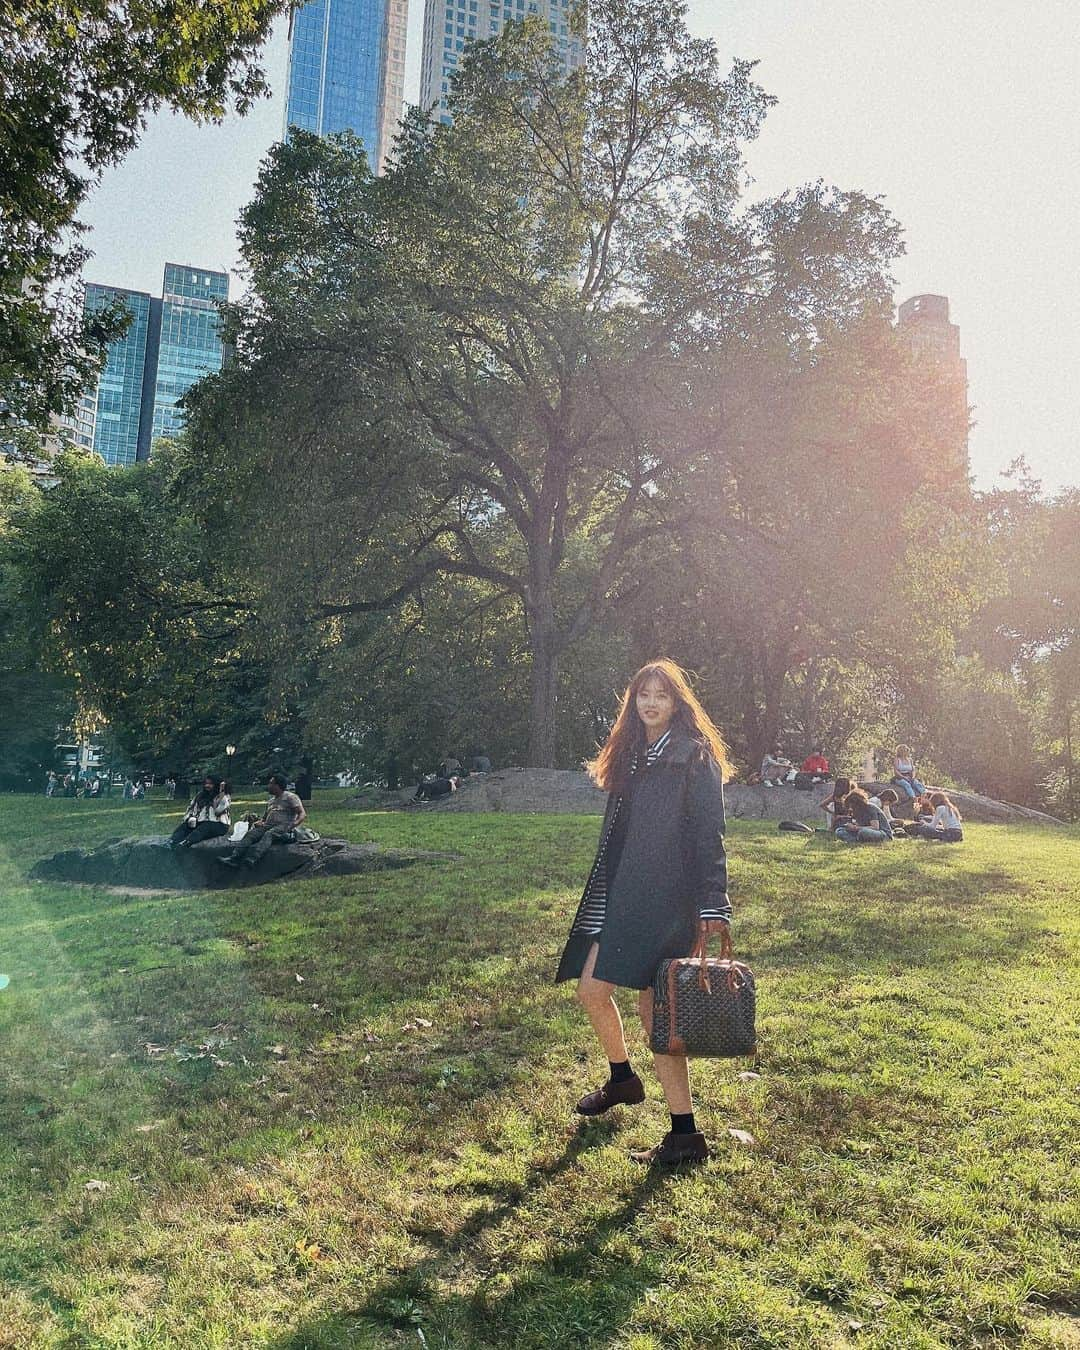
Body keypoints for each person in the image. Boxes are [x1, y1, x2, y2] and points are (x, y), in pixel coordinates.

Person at [555, 659, 732, 1167]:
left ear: (678, 703)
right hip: (619, 893)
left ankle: (685, 1134)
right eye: (643, 695)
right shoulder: (631, 753)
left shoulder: (694, 757)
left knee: (656, 1012)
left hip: (666, 900)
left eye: (662, 696)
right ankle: (622, 1079)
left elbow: (709, 838)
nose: (651, 704)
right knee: (592, 990)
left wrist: (713, 905)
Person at [218, 772, 306, 869]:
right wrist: (258, 821)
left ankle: (252, 859)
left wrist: (294, 825)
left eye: (271, 783)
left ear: (277, 785)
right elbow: (265, 818)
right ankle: (234, 858)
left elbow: (302, 813)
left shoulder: (290, 797)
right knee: (251, 834)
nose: (268, 786)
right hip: (268, 825)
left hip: (284, 826)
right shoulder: (271, 800)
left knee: (269, 834)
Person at [168, 776, 232, 848]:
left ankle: (185, 844)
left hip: (220, 825)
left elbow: (218, 811)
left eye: (210, 784)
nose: (207, 786)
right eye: (206, 783)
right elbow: (191, 808)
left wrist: (221, 792)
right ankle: (171, 842)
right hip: (201, 823)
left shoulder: (224, 796)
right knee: (185, 826)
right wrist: (189, 818)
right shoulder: (200, 795)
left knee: (205, 827)